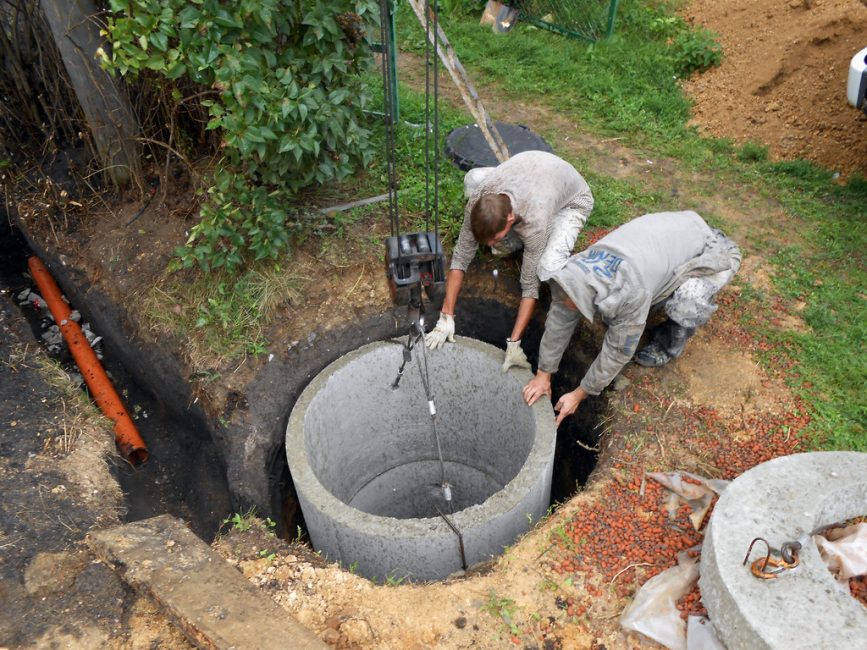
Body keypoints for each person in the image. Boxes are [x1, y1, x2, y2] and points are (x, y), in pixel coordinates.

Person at [522, 211, 741, 425]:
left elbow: (618, 351)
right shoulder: (576, 268)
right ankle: (659, 298)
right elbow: (560, 317)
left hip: (713, 250)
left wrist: (580, 394)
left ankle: (667, 345)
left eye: (573, 304)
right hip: (676, 235)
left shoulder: (632, 292)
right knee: (623, 312)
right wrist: (544, 374)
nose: (566, 306)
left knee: (687, 298)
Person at [424, 150, 594, 372]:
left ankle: (544, 241)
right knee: (472, 179)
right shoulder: (480, 198)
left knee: (546, 267)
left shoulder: (535, 222)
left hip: (571, 199)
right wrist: (446, 315)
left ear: (510, 219)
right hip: (533, 170)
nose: (486, 245)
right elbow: (461, 256)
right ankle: (508, 239)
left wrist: (514, 344)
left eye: (493, 237)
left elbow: (530, 287)